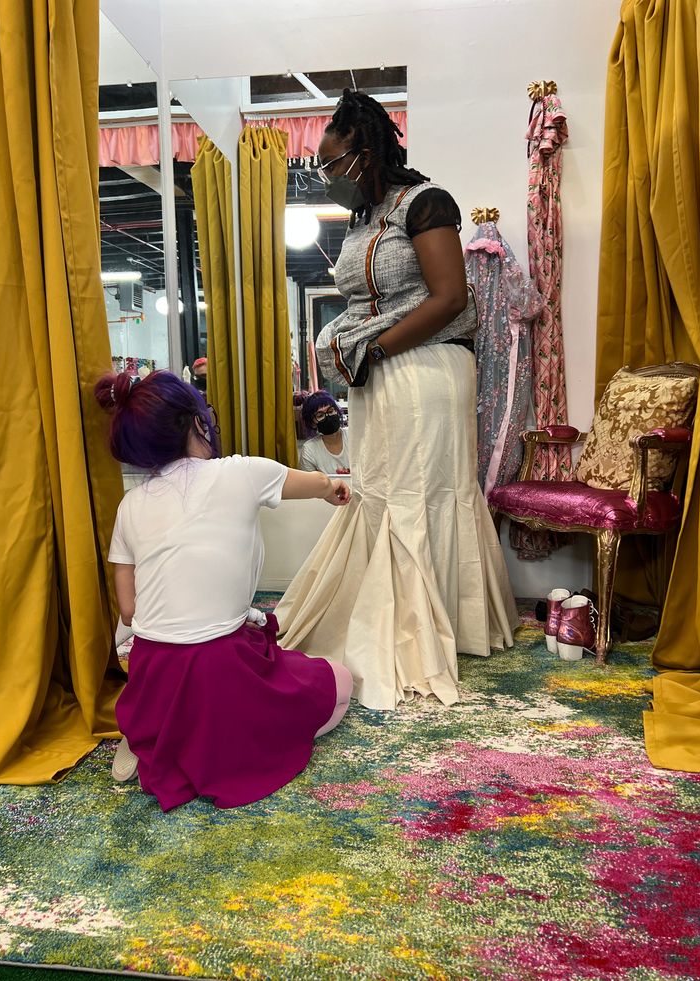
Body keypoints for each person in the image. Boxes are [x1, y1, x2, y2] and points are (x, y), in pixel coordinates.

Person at [276, 90, 518, 711]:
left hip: (426, 368)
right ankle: (420, 615)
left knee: (422, 491)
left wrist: (375, 347)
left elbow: (450, 298)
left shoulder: (426, 203)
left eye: (331, 166)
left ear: (362, 155)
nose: (326, 179)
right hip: (380, 373)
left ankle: (436, 628)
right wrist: (358, 349)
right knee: (385, 489)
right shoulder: (362, 221)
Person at [96, 369, 353, 812]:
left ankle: (148, 734)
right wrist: (334, 489)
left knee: (170, 674)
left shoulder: (130, 503)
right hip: (219, 662)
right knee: (340, 681)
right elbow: (315, 484)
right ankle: (213, 734)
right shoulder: (241, 472)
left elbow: (128, 609)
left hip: (151, 668)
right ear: (199, 423)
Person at [299, 391, 350, 475]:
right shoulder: (309, 450)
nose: (328, 417)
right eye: (320, 415)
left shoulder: (354, 436)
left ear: (337, 411)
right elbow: (311, 485)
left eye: (330, 411)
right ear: (312, 423)